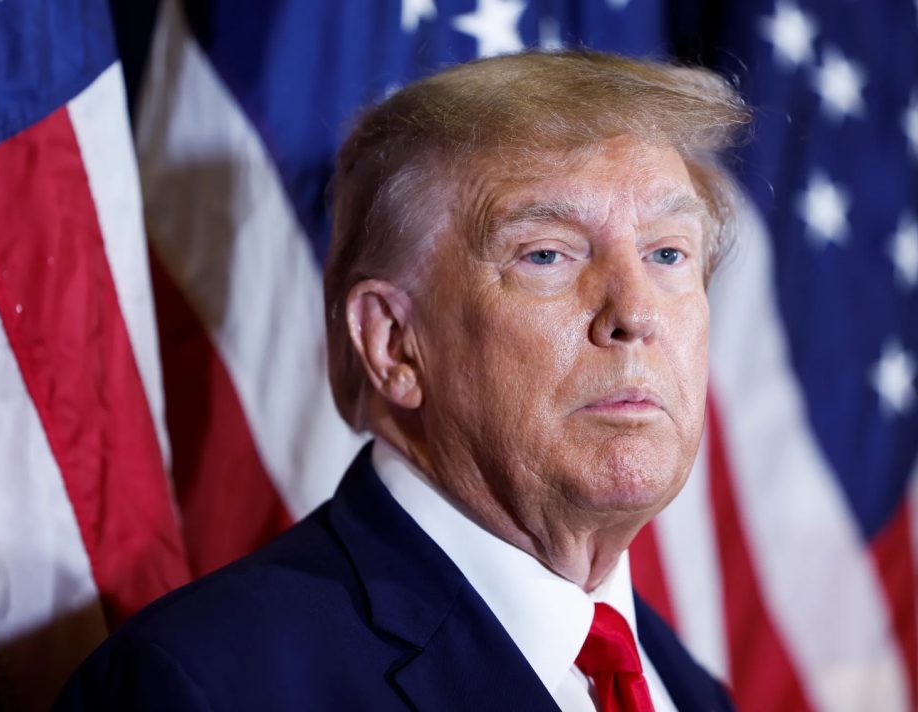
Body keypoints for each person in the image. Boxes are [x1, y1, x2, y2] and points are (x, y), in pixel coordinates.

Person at [57, 49, 748, 711]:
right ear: (393, 345)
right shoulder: (202, 687)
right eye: (546, 255)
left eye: (667, 252)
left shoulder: (682, 687)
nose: (634, 312)